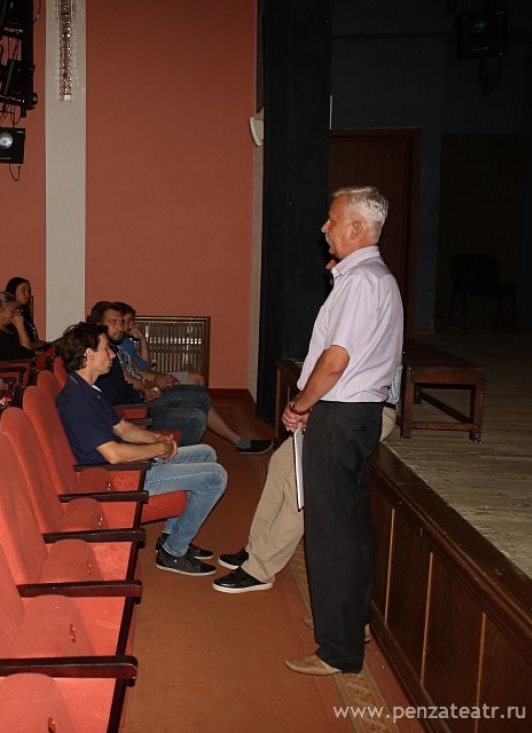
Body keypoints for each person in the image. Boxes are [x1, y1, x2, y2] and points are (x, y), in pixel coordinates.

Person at [281, 186, 403, 677]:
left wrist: (300, 405)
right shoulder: (373, 277)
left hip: (340, 414)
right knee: (350, 528)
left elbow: (335, 361)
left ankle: (337, 650)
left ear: (356, 227)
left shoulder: (361, 282)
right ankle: (353, 624)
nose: (324, 228)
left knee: (330, 533)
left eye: (332, 220)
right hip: (356, 414)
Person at [55, 322, 227, 576]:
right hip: (118, 478)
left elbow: (122, 428)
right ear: (89, 355)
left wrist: (158, 438)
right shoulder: (77, 401)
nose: (113, 355)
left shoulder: (88, 389)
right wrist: (157, 449)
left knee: (206, 453)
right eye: (107, 349)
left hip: (130, 465)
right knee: (216, 476)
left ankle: (169, 538)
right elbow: (113, 454)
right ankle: (174, 551)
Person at [213, 366, 401, 595]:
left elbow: (336, 370)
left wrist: (302, 408)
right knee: (281, 462)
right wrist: (303, 406)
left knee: (299, 484)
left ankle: (260, 569)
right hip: (335, 406)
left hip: (367, 412)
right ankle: (255, 548)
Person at [91, 301, 271, 452]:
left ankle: (234, 441)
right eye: (114, 322)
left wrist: (151, 383)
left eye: (121, 322)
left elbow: (133, 375)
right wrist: (150, 387)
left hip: (141, 397)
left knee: (200, 397)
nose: (121, 327)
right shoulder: (100, 356)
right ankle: (175, 455)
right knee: (196, 417)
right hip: (135, 409)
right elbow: (122, 391)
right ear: (98, 325)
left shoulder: (113, 349)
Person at [0, 291, 37, 362]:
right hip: (16, 367)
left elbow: (29, 346)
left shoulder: (9, 327)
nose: (15, 315)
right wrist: (20, 327)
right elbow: (27, 353)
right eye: (12, 311)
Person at [4, 276, 45, 346]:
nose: (27, 294)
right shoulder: (8, 316)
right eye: (23, 291)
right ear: (12, 292)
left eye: (29, 291)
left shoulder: (25, 315)